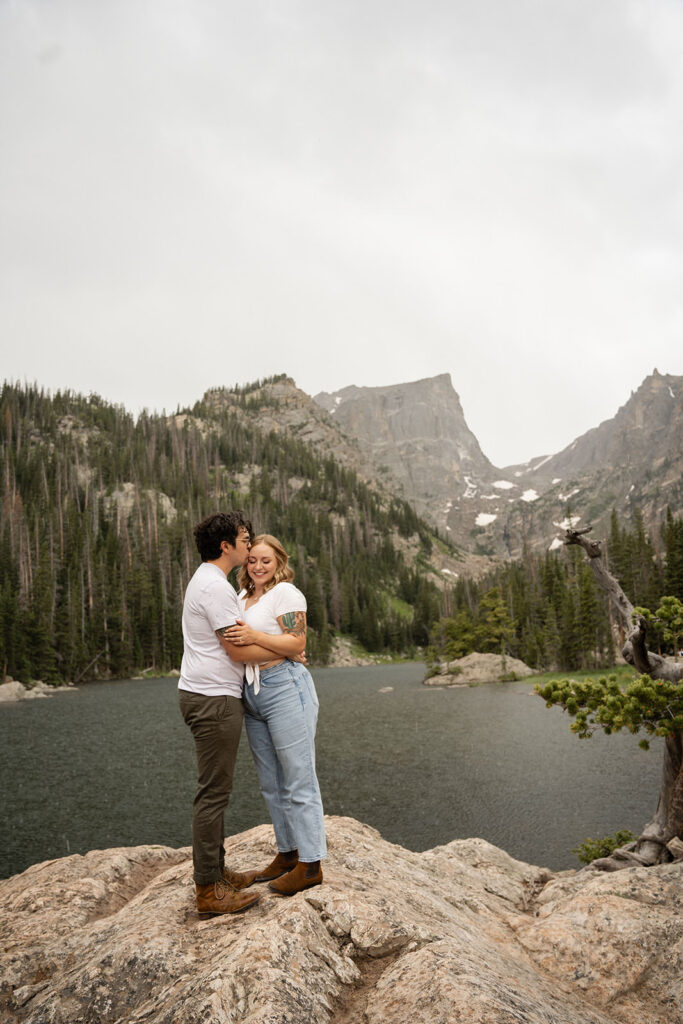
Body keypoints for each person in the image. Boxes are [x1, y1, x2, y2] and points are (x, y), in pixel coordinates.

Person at [178, 511, 281, 917]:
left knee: (213, 792)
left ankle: (216, 873)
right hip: (213, 700)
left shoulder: (207, 581)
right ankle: (208, 889)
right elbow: (237, 650)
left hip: (204, 694)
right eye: (243, 538)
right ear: (226, 546)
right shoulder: (215, 588)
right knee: (213, 795)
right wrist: (287, 648)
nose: (249, 543)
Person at [224, 534, 327, 896]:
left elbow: (297, 643)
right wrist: (270, 644)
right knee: (271, 783)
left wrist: (255, 637)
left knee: (298, 778)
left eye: (266, 560)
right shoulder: (239, 597)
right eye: (252, 560)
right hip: (251, 694)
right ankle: (287, 854)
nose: (257, 566)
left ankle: (311, 865)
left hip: (285, 688)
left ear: (279, 561)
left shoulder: (286, 593)